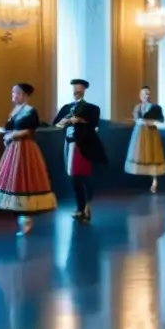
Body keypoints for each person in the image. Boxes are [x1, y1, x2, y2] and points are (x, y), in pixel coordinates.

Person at [0, 83, 56, 236]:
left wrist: (13, 135)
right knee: (14, 181)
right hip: (13, 148)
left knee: (25, 180)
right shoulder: (15, 111)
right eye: (13, 93)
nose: (13, 95)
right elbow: (10, 127)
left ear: (24, 95)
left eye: (16, 93)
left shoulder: (30, 111)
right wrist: (6, 133)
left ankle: (26, 218)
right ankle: (21, 218)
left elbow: (30, 130)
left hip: (25, 148)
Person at [53, 79, 106, 223]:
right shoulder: (66, 108)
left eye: (79, 88)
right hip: (69, 145)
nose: (76, 91)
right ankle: (80, 207)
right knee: (74, 178)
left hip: (84, 145)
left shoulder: (92, 108)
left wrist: (79, 120)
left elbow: (94, 122)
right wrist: (64, 121)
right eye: (75, 88)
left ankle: (87, 205)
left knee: (85, 177)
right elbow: (56, 124)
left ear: (84, 90)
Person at [124, 85, 165, 194]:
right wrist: (139, 121)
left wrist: (153, 122)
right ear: (140, 95)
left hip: (151, 133)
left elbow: (161, 120)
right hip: (140, 133)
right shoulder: (137, 107)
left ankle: (154, 181)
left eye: (147, 93)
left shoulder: (156, 107)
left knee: (153, 154)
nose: (145, 96)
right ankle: (139, 181)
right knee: (140, 153)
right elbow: (136, 118)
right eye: (143, 93)